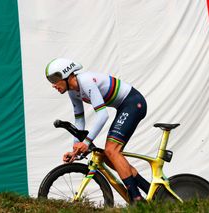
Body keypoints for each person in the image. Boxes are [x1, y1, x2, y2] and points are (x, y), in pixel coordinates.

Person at [45, 58, 150, 202]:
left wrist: (87, 143)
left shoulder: (86, 81)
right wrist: (75, 149)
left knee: (112, 150)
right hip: (124, 106)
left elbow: (102, 115)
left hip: (133, 102)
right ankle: (150, 190)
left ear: (67, 74)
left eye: (55, 79)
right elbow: (79, 121)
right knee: (110, 156)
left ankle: (137, 199)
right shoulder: (73, 92)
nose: (53, 85)